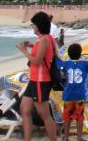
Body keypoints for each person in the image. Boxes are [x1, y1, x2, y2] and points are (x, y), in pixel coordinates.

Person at [16, 11, 58, 141]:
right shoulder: (45, 38)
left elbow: (37, 61)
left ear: (39, 25)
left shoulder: (44, 39)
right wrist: (32, 46)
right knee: (24, 109)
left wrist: (24, 51)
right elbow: (48, 52)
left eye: (33, 24)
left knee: (44, 114)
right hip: (34, 80)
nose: (32, 27)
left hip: (41, 80)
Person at [58, 43, 88, 141]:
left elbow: (57, 63)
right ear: (80, 54)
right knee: (79, 117)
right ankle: (79, 138)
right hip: (79, 95)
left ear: (69, 54)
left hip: (68, 95)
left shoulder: (65, 64)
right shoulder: (84, 64)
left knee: (67, 117)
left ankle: (66, 137)